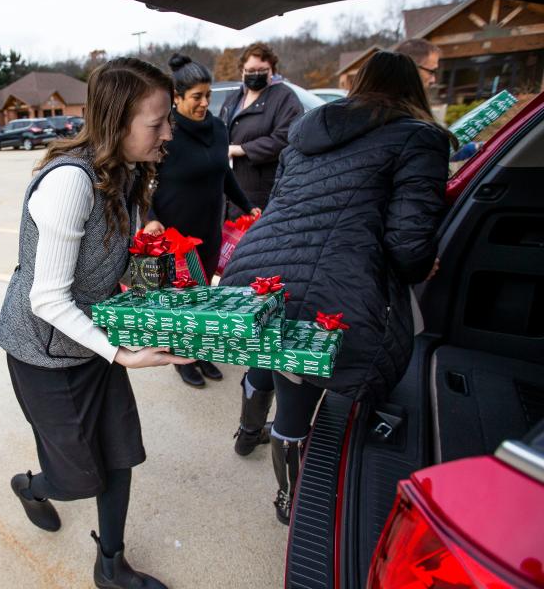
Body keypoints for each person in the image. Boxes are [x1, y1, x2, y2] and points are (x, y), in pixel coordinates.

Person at [221, 51, 450, 524]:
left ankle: (247, 433)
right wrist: (420, 267)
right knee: (298, 395)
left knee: (268, 353)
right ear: (415, 87)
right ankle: (289, 502)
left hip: (257, 266)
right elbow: (409, 241)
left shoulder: (307, 131)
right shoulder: (418, 138)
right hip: (328, 284)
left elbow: (283, 200)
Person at [0, 57, 193, 589]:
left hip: (96, 339)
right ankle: (33, 486)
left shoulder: (126, 173)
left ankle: (110, 563)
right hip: (47, 354)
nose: (168, 132)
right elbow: (49, 299)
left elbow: (106, 263)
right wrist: (123, 353)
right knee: (76, 476)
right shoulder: (70, 184)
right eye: (158, 122)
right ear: (117, 121)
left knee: (119, 455)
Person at [143, 53, 261, 388]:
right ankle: (182, 358)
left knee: (203, 293)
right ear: (176, 98)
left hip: (208, 228)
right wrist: (151, 218)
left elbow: (224, 172)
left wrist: (246, 205)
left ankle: (200, 349)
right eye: (196, 97)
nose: (204, 102)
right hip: (174, 233)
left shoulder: (219, 128)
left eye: (208, 95)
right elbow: (145, 180)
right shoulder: (166, 134)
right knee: (181, 298)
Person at [218, 42, 304, 218]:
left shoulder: (285, 98)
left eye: (262, 69)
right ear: (242, 71)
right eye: (250, 70)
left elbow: (285, 139)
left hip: (263, 191)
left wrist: (241, 149)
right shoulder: (234, 99)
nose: (255, 75)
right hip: (231, 192)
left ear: (272, 70)